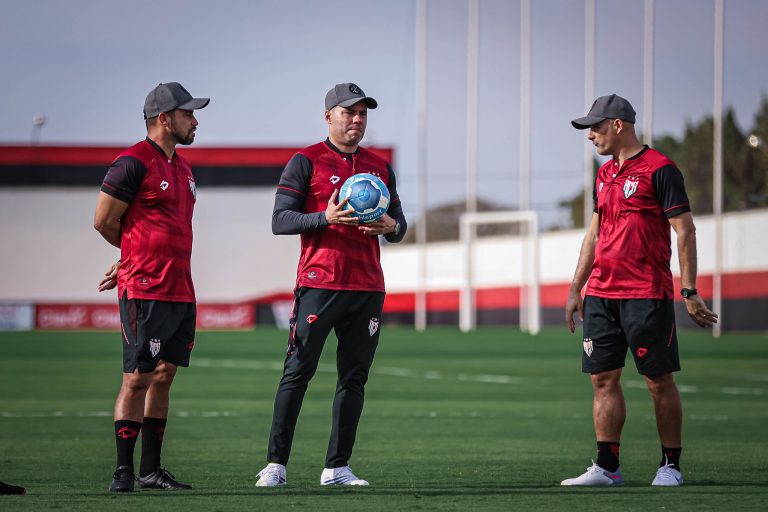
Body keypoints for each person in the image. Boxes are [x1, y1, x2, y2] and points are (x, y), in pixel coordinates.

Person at [255, 83, 407, 487]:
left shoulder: (379, 167)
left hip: (368, 287)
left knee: (354, 378)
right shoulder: (305, 162)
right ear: (329, 116)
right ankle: (276, 465)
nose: (357, 120)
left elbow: (400, 224)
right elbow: (280, 220)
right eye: (349, 113)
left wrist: (393, 227)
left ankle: (337, 467)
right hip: (320, 285)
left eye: (363, 114)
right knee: (297, 371)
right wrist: (326, 218)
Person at [561, 94, 718, 487]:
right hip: (601, 295)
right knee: (602, 380)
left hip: (646, 294)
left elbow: (685, 229)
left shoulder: (661, 169)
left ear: (618, 125)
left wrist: (689, 290)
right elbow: (595, 235)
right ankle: (607, 467)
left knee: (657, 380)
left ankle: (670, 466)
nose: (590, 135)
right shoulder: (603, 175)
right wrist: (576, 288)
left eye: (595, 127)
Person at [93, 82, 209, 492]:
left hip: (181, 289)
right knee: (136, 378)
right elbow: (104, 221)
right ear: (164, 118)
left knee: (164, 375)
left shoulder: (183, 166)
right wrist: (129, 258)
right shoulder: (132, 163)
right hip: (144, 289)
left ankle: (151, 471)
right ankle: (123, 471)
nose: (195, 120)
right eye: (188, 113)